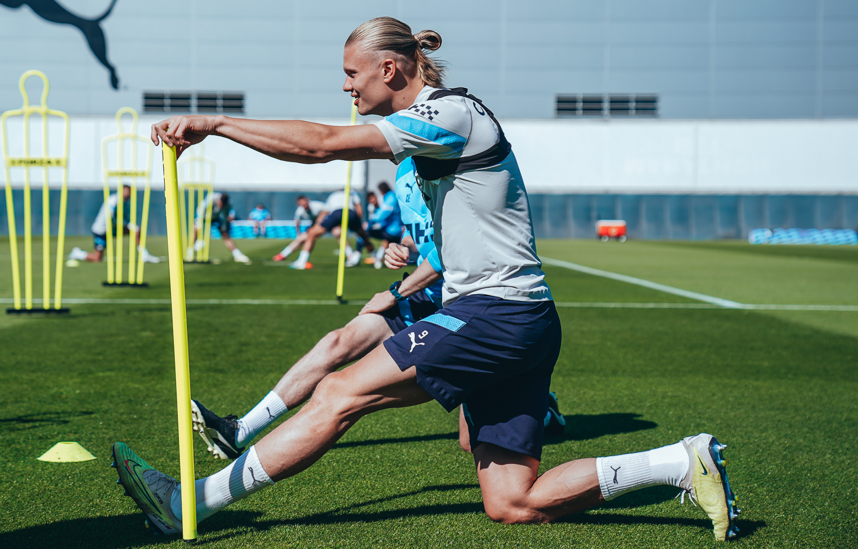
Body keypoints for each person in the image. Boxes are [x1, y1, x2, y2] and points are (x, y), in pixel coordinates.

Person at [116, 17, 739, 542]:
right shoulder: (442, 123)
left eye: (352, 74)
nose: (346, 86)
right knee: (513, 502)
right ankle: (680, 461)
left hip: (495, 314)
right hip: (522, 318)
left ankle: (190, 503)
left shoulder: (449, 113)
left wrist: (217, 123)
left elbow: (324, 145)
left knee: (338, 392)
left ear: (389, 69)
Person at [190, 158, 565, 461]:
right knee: (338, 342)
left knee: (471, 443)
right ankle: (239, 431)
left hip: (468, 308)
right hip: (424, 296)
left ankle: (537, 407)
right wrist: (399, 248)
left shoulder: (451, 164)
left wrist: (396, 291)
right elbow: (416, 233)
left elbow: (448, 252)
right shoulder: (403, 172)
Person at [67, 185, 157, 264]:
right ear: (122, 191)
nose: (129, 194)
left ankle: (144, 255)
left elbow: (125, 218)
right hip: (101, 231)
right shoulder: (113, 200)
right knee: (97, 258)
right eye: (128, 192)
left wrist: (129, 225)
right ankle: (78, 253)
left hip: (112, 229)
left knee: (136, 229)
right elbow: (110, 216)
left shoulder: (125, 203)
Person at [288, 188, 374, 270]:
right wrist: (358, 222)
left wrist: (315, 227)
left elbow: (324, 212)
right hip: (351, 214)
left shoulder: (333, 195)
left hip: (336, 214)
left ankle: (302, 261)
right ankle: (375, 257)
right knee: (362, 235)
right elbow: (359, 207)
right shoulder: (352, 194)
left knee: (312, 235)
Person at [188, 193, 250, 264]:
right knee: (196, 229)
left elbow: (225, 216)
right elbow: (200, 211)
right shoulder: (210, 199)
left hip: (216, 217)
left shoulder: (228, 205)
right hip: (204, 216)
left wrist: (223, 226)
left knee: (225, 234)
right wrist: (201, 220)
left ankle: (237, 254)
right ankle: (189, 252)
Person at [358, 181, 403, 268]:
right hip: (393, 229)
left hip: (393, 230)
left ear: (381, 190)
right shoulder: (390, 196)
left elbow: (382, 214)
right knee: (387, 240)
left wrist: (369, 223)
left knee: (364, 233)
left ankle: (362, 255)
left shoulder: (390, 197)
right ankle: (377, 257)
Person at [273, 195, 327, 262]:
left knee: (338, 233)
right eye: (301, 203)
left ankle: (301, 261)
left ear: (308, 200)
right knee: (302, 238)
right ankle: (283, 255)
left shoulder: (316, 205)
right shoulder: (300, 211)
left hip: (328, 221)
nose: (303, 204)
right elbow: (297, 223)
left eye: (304, 201)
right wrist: (298, 233)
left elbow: (328, 209)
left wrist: (320, 219)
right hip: (316, 225)